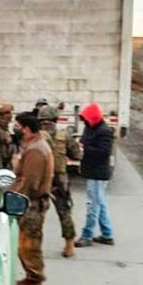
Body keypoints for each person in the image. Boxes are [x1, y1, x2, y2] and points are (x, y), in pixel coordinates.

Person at [10, 112, 54, 285]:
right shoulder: (32, 145)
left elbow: (30, 184)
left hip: (31, 205)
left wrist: (12, 199)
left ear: (26, 129)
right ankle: (30, 278)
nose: (16, 130)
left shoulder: (36, 150)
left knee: (29, 247)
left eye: (18, 126)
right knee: (23, 245)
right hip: (30, 203)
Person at [38, 106, 82, 258]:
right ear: (56, 119)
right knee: (64, 212)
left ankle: (34, 246)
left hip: (40, 179)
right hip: (60, 180)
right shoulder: (65, 136)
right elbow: (77, 155)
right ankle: (69, 246)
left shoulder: (34, 135)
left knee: (37, 213)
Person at [74, 103, 115, 248]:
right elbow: (85, 141)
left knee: (93, 205)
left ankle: (87, 236)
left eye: (86, 118)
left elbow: (104, 152)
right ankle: (107, 234)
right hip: (93, 171)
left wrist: (85, 149)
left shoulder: (104, 131)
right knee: (100, 204)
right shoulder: (90, 127)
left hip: (98, 173)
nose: (84, 121)